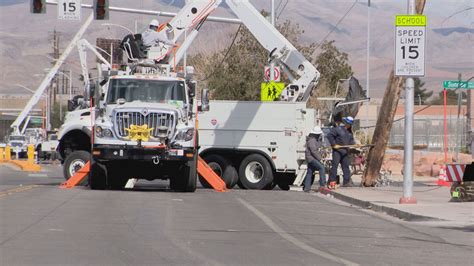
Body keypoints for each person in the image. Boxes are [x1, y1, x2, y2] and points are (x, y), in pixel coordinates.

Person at [326, 116, 356, 187]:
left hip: (345, 151)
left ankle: (346, 182)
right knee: (334, 167)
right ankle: (331, 182)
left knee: (346, 167)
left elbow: (351, 141)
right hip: (337, 151)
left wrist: (355, 144)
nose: (349, 125)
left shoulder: (349, 132)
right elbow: (329, 136)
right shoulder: (338, 129)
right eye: (348, 123)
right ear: (345, 123)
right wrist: (334, 144)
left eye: (350, 124)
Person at [303, 126, 326, 192]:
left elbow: (317, 146)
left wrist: (320, 141)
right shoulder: (312, 140)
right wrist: (320, 158)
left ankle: (307, 188)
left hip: (309, 157)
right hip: (311, 158)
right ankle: (322, 185)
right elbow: (314, 151)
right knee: (321, 168)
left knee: (310, 172)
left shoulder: (312, 139)